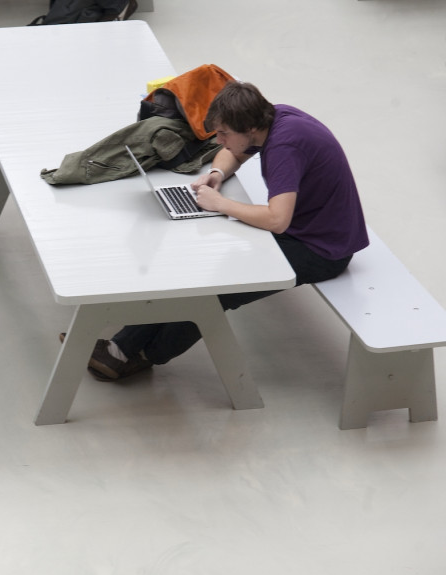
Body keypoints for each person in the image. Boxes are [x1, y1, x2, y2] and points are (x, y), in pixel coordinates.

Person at [85, 80, 370, 381]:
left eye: (224, 133)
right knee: (207, 266)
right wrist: (216, 174)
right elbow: (234, 154)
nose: (219, 141)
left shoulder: (285, 147)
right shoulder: (273, 119)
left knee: (217, 288)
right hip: (306, 228)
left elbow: (277, 219)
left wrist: (220, 204)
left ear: (249, 128)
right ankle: (123, 348)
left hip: (322, 248)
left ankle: (135, 354)